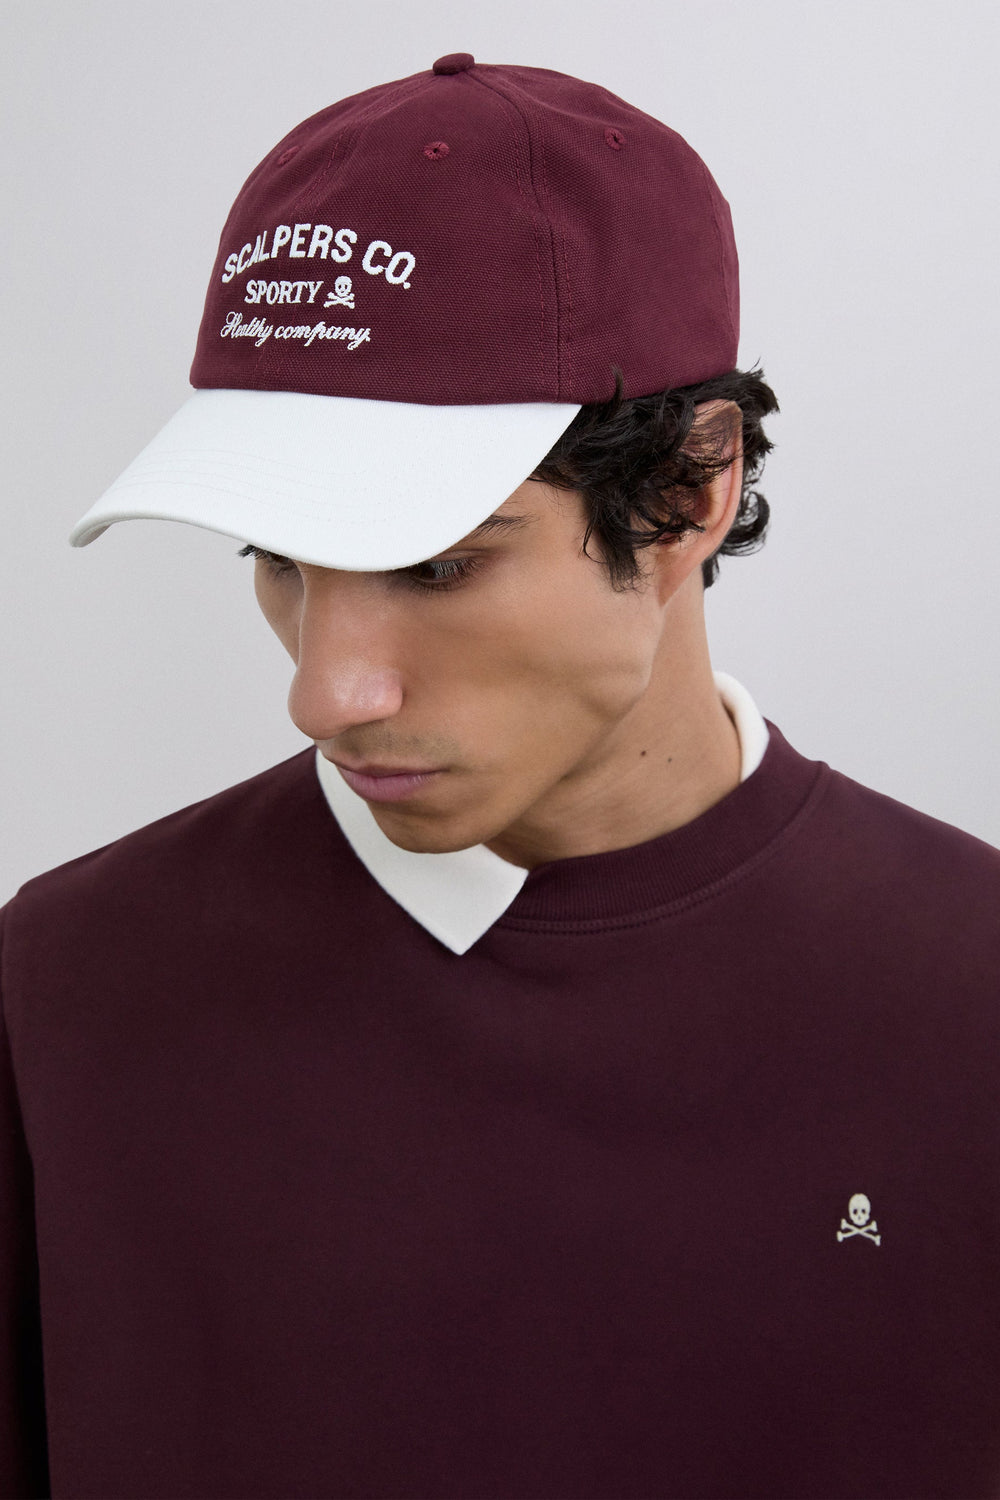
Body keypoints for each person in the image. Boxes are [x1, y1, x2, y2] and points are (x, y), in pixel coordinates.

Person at [2, 52, 997, 1500]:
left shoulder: (971, 997)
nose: (323, 693)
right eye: (276, 556)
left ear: (691, 491)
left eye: (434, 565)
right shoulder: (67, 988)